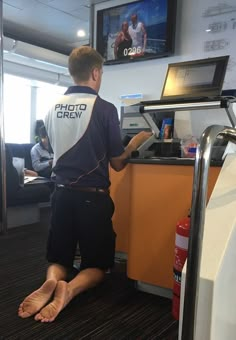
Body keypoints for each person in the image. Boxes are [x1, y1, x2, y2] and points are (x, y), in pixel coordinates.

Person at [18, 46, 152, 323]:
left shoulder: (51, 109)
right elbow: (117, 162)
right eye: (101, 72)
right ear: (94, 72)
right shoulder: (104, 109)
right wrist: (136, 143)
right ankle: (71, 291)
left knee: (59, 258)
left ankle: (54, 281)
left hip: (61, 193)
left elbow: (57, 150)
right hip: (93, 197)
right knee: (98, 265)